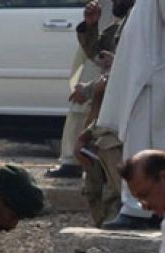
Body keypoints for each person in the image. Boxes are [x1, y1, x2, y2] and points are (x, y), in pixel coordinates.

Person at [95, 0, 165, 230]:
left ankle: (143, 209)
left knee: (150, 145)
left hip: (153, 75)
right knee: (146, 143)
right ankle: (143, 207)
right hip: (150, 74)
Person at [73, 0, 134, 226]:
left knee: (113, 194)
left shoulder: (140, 27)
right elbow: (98, 54)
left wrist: (91, 88)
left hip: (116, 126)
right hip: (99, 121)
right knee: (93, 188)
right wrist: (90, 26)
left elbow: (131, 71)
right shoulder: (120, 26)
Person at [45, 0, 112, 179]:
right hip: (99, 36)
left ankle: (81, 159)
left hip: (111, 38)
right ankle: (72, 159)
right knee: (80, 100)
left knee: (89, 97)